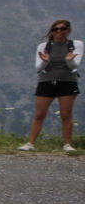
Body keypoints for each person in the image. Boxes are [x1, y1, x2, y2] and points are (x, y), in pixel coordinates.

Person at [19, 19, 82, 153]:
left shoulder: (76, 45)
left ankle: (67, 144)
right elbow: (38, 67)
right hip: (46, 81)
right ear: (52, 31)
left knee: (66, 114)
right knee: (39, 113)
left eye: (63, 29)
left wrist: (68, 60)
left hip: (67, 81)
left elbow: (75, 66)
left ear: (68, 30)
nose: (59, 32)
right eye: (56, 29)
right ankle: (30, 143)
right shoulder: (44, 46)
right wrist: (44, 62)